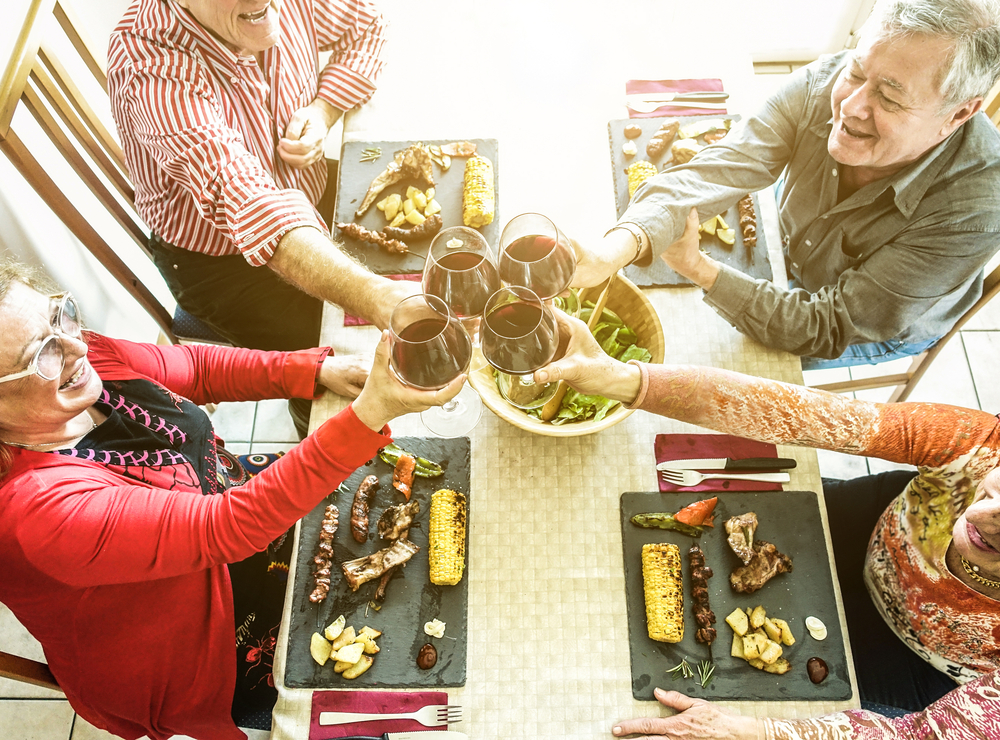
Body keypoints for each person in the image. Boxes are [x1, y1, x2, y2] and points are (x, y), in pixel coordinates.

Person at [0, 261, 461, 740]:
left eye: (60, 315)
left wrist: (313, 369)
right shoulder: (35, 512)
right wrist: (372, 412)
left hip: (235, 504)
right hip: (201, 642)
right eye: (42, 354)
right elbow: (226, 527)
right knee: (381, 683)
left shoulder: (84, 358)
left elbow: (197, 368)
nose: (77, 346)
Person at [536, 310, 1000, 738]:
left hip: (915, 661)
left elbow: (923, 735)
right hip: (874, 530)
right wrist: (623, 377)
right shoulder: (980, 442)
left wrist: (755, 732)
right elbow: (796, 411)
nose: (981, 514)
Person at [577, 0, 1000, 370]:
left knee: (736, 368)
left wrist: (699, 269)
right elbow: (717, 169)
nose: (849, 107)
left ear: (958, 114)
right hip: (793, 248)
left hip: (868, 325)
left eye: (889, 98)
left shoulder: (977, 211)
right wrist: (606, 254)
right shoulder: (823, 82)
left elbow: (827, 325)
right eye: (856, 70)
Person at [107, 0, 415, 434]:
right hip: (221, 261)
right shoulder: (149, 64)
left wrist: (323, 109)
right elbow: (250, 202)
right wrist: (382, 299)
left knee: (410, 253)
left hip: (307, 191)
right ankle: (314, 425)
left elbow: (366, 24)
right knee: (338, 364)